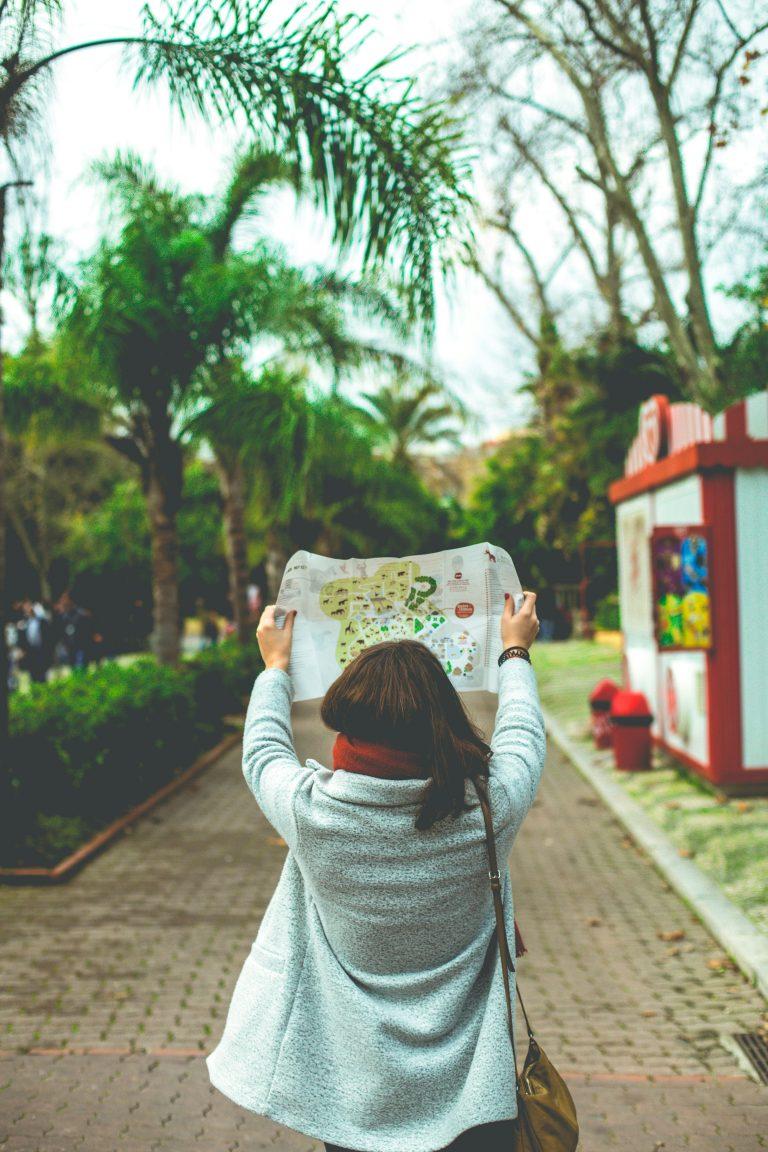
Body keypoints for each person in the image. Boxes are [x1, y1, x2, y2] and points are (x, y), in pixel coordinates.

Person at [207, 591, 545, 1152]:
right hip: (472, 1098)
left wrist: (275, 667)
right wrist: (515, 651)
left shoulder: (312, 814)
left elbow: (262, 752)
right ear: (443, 722)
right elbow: (522, 735)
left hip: (355, 1101)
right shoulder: (490, 810)